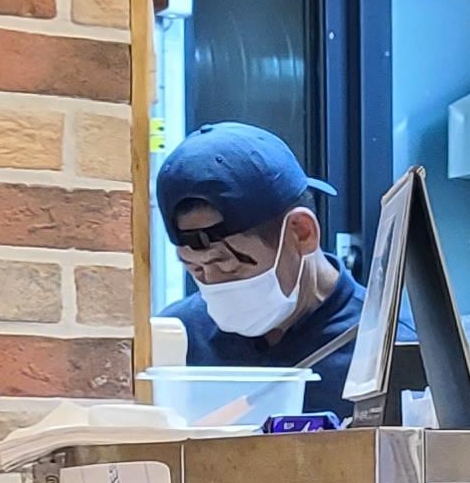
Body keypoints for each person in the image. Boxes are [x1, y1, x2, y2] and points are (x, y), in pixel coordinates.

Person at [155, 122, 365, 406]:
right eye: (196, 269)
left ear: (301, 233)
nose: (214, 286)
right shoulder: (179, 342)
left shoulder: (386, 347)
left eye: (229, 266)